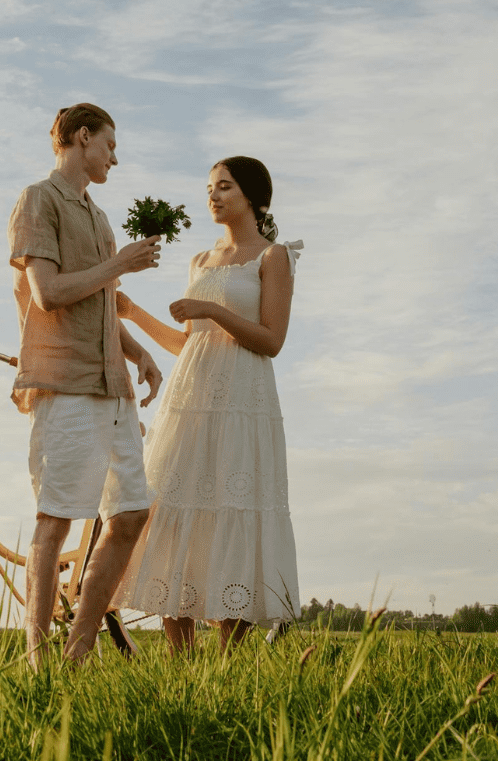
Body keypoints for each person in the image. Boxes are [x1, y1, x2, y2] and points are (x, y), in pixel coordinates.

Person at [114, 156, 303, 654]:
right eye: (210, 188)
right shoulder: (200, 260)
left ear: (253, 198)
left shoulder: (273, 257)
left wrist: (212, 310)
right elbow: (188, 342)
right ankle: (180, 658)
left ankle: (225, 661)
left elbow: (271, 339)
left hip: (243, 399)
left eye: (224, 187)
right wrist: (132, 313)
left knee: (230, 509)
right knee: (174, 511)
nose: (213, 196)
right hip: (192, 396)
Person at [6, 102, 164, 668]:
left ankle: (77, 651)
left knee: (130, 515)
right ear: (81, 137)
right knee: (55, 521)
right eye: (110, 146)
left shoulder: (99, 218)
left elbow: (99, 301)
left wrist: (140, 352)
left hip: (113, 387)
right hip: (66, 382)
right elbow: (48, 293)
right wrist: (119, 266)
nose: (115, 159)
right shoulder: (37, 200)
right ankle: (38, 662)